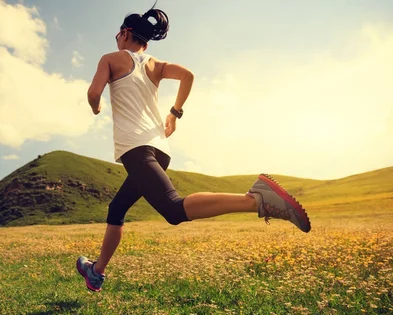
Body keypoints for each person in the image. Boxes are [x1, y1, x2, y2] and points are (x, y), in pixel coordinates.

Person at [76, 4, 311, 292]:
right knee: (117, 208)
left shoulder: (110, 59)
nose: (116, 40)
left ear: (125, 33)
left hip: (136, 148)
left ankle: (256, 199)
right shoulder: (155, 65)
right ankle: (96, 271)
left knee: (173, 210)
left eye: (117, 35)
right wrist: (174, 114)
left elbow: (92, 93)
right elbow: (188, 75)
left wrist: (96, 106)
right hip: (160, 150)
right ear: (146, 43)